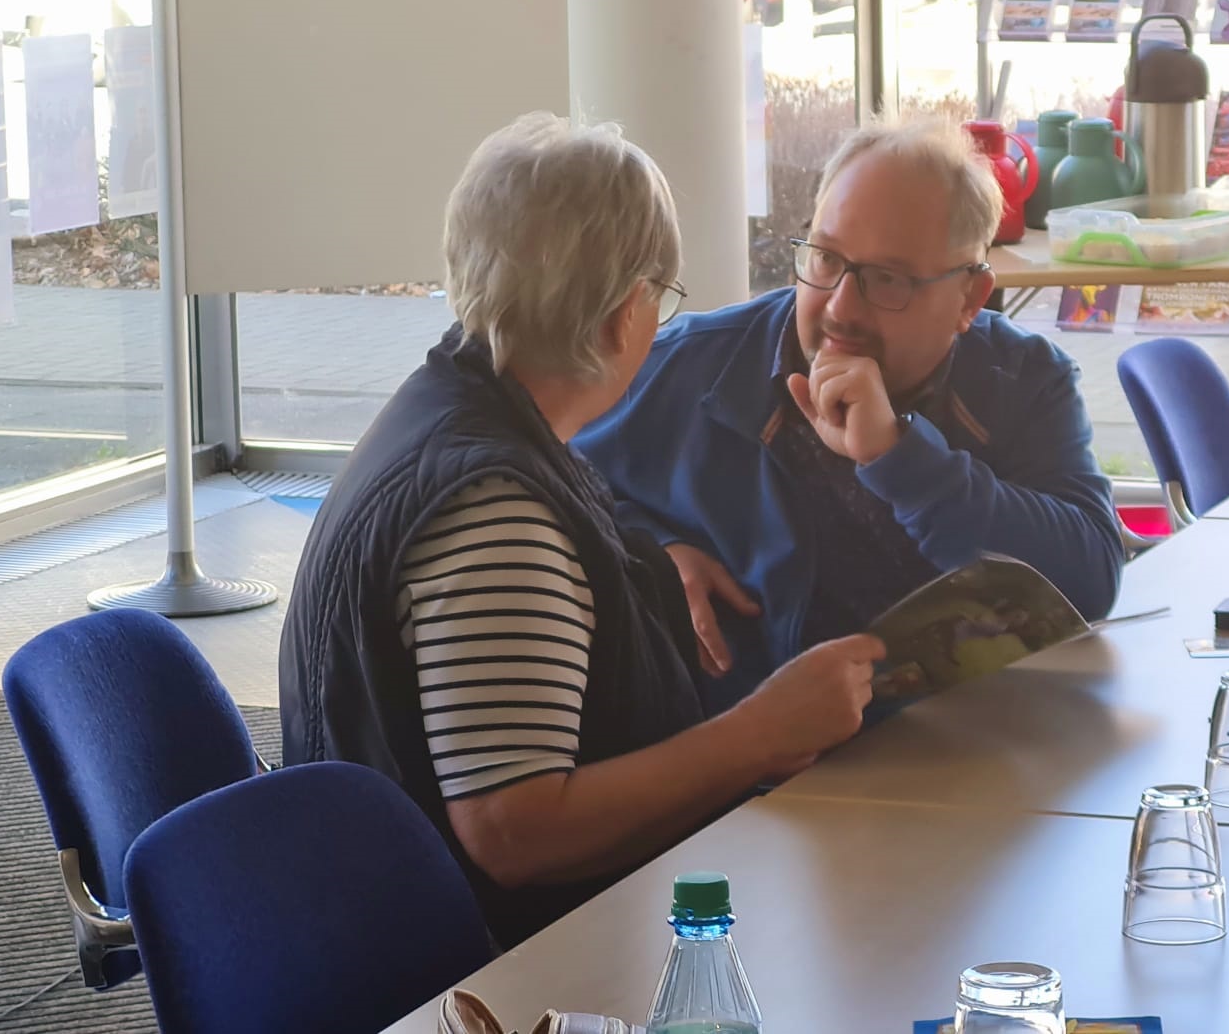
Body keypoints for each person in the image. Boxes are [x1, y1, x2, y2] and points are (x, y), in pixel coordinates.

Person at [278, 114, 883, 949]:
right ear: (622, 315)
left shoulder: (452, 409)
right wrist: (761, 734)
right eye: (660, 296)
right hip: (481, 971)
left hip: (389, 917)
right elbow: (514, 833)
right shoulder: (495, 512)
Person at [575, 118, 1125, 713]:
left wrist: (901, 459)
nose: (840, 308)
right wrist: (649, 549)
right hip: (746, 756)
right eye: (825, 258)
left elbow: (1089, 583)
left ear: (968, 298)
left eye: (887, 280)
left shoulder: (1023, 381)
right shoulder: (688, 366)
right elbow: (545, 478)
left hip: (972, 742)